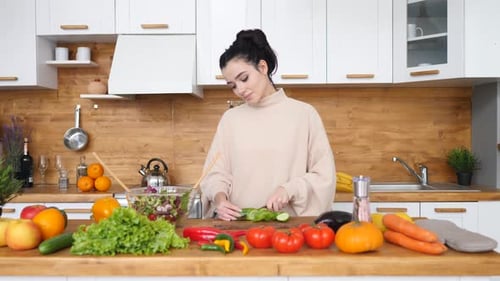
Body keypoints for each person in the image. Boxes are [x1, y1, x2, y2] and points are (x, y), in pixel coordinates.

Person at [200, 29, 336, 221]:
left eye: (244, 78)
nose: (240, 90)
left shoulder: (304, 115)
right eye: (232, 85)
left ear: (262, 67)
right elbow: (215, 173)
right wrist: (220, 200)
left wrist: (288, 189)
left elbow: (324, 177)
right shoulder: (230, 120)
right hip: (239, 227)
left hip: (288, 230)